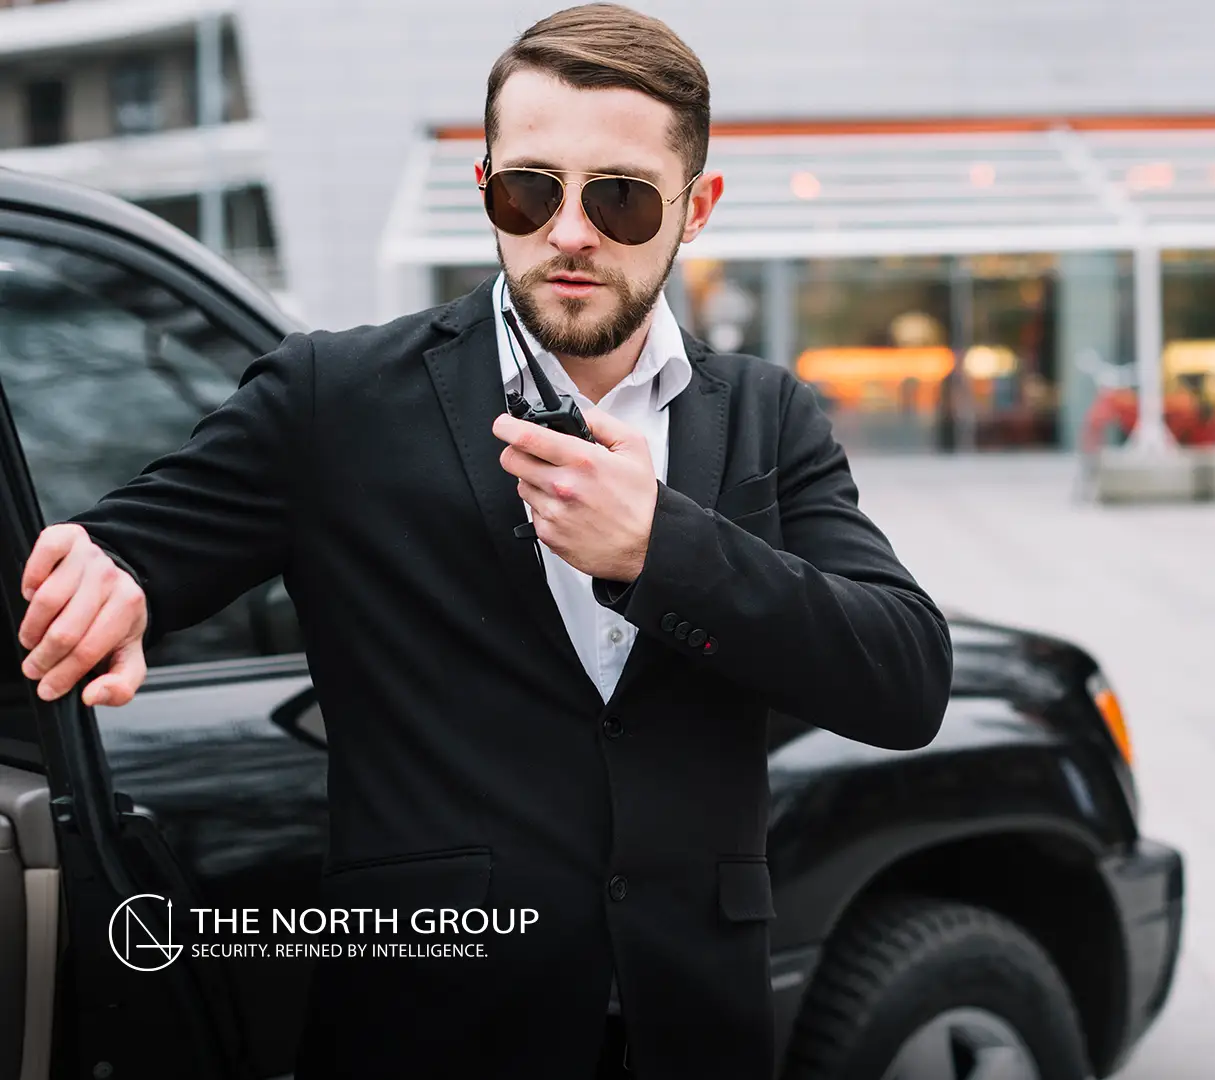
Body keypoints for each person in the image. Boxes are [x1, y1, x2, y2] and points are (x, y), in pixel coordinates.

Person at [12, 6, 953, 1078]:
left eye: (621, 197)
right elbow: (131, 543)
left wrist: (660, 547)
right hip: (426, 1030)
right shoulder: (336, 397)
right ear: (486, 192)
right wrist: (108, 573)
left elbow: (905, 676)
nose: (568, 232)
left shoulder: (766, 417)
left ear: (697, 209)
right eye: (531, 189)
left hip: (695, 1030)